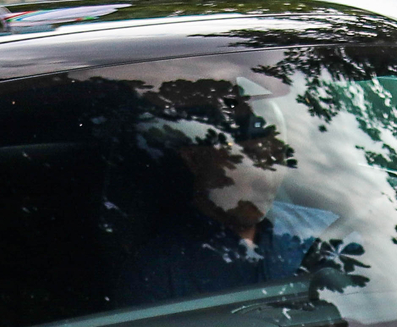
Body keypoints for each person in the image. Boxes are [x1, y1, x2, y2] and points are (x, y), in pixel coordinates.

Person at [123, 109, 356, 305]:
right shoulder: (159, 270)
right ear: (194, 159)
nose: (267, 178)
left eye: (277, 158)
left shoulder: (325, 233)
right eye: (249, 159)